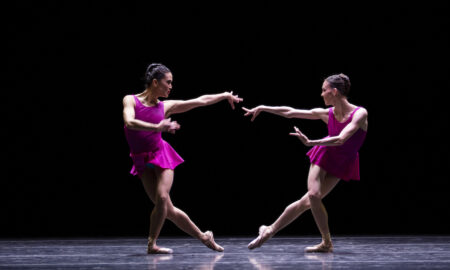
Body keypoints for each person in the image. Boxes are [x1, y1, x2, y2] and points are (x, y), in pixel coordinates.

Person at [123, 63, 243, 254]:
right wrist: (156, 127)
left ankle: (151, 244)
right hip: (141, 159)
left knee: (162, 197)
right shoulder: (130, 100)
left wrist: (224, 95)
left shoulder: (165, 107)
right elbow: (129, 122)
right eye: (168, 82)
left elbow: (199, 101)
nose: (171, 86)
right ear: (155, 82)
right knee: (167, 209)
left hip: (161, 155)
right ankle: (204, 237)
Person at [243, 74, 368, 252]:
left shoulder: (360, 113)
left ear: (334, 91)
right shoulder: (328, 114)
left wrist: (310, 142)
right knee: (314, 195)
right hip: (325, 155)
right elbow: (291, 112)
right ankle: (325, 242)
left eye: (324, 90)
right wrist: (263, 107)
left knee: (305, 203)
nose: (321, 94)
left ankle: (270, 230)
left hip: (343, 162)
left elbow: (341, 139)